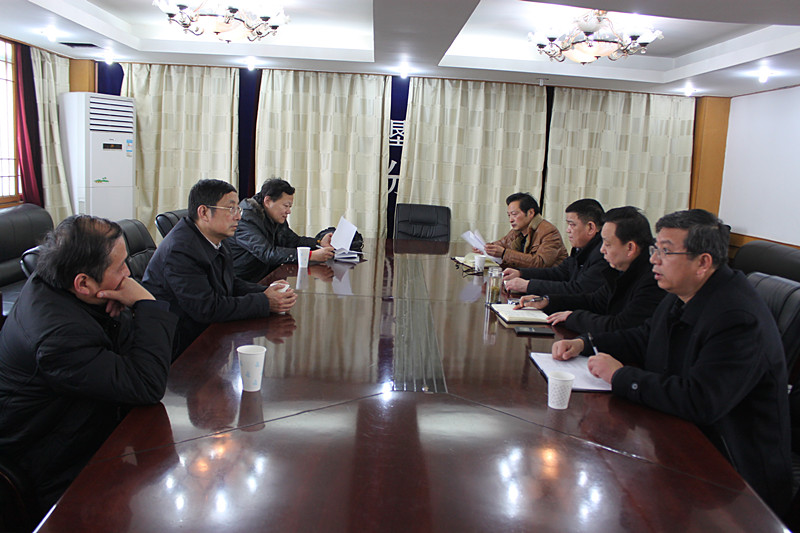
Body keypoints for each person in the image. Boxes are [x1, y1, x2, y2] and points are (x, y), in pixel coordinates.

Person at [551, 209, 791, 516]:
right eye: (655, 249)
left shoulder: (737, 318)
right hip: (683, 442)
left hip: (735, 480)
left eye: (665, 251)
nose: (653, 259)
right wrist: (585, 343)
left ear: (702, 262)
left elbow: (700, 400)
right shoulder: (683, 292)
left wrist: (621, 377)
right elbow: (644, 337)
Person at [0, 215, 177, 518]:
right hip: (53, 460)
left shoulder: (65, 282)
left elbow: (132, 359)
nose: (129, 274)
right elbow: (147, 384)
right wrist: (146, 304)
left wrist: (125, 313)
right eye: (120, 267)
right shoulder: (58, 337)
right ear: (83, 283)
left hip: (88, 422)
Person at [143, 179, 297, 356]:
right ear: (204, 212)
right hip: (179, 344)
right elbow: (206, 308)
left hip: (205, 332)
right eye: (231, 209)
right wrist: (265, 302)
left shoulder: (215, 238)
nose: (238, 216)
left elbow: (230, 282)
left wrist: (267, 291)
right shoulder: (181, 249)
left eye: (238, 209)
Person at [516, 206, 664, 335]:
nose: (602, 249)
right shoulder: (622, 268)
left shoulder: (653, 279)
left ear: (630, 247)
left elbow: (621, 326)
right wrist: (548, 301)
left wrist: (573, 319)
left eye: (607, 244)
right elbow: (595, 301)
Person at [229, 178, 335, 281]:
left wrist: (319, 242)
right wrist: (310, 256)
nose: (288, 211)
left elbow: (293, 241)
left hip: (268, 277)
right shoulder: (245, 219)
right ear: (268, 201)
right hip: (245, 282)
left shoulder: (273, 216)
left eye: (290, 206)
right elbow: (267, 253)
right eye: (286, 206)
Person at [503, 198, 611, 295]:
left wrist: (528, 286)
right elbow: (559, 273)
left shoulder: (603, 254)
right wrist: (521, 273)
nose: (568, 230)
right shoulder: (581, 249)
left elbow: (579, 289)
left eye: (572, 224)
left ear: (591, 227)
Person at [481, 192, 568, 269]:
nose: (511, 220)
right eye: (509, 215)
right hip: (522, 277)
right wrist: (486, 248)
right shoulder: (516, 231)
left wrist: (504, 254)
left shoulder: (549, 232)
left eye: (514, 214)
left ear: (530, 213)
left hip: (547, 280)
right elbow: (501, 244)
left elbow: (541, 263)